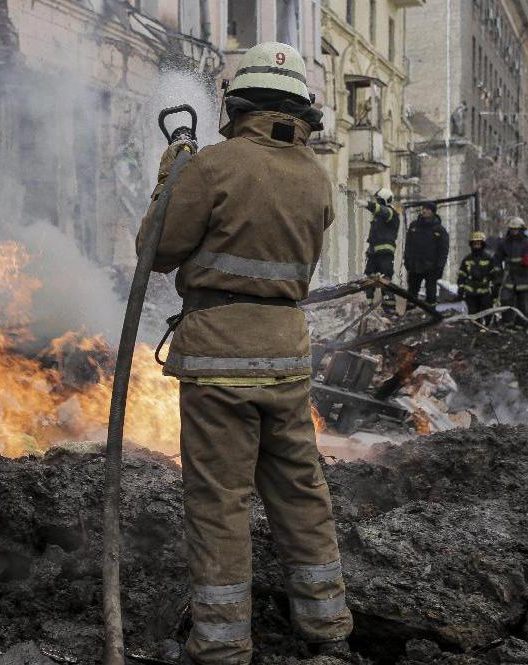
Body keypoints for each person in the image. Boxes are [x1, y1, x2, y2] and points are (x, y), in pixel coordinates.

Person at [136, 42, 353, 665]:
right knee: (302, 492)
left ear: (237, 104)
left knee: (220, 502)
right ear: (300, 112)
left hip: (219, 362)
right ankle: (329, 629)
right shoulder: (316, 177)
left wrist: (168, 180)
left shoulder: (212, 165)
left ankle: (224, 645)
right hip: (286, 359)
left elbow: (157, 251)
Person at [403, 201, 449, 307]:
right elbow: (408, 245)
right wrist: (407, 260)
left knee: (431, 294)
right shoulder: (414, 226)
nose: (424, 211)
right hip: (415, 265)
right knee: (412, 293)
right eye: (423, 208)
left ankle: (431, 316)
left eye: (427, 209)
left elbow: (443, 250)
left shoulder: (439, 230)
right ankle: (410, 315)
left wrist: (440, 266)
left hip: (431, 267)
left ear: (433, 212)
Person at [496, 217, 528, 314]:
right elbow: (497, 259)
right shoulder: (504, 243)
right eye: (512, 229)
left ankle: (521, 326)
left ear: (521, 229)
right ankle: (507, 323)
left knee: (522, 305)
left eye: (516, 229)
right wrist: (498, 276)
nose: (514, 231)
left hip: (523, 277)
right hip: (509, 277)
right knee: (506, 301)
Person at [362, 188, 400, 298]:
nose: (378, 202)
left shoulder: (391, 213)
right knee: (369, 279)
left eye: (379, 200)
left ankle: (389, 308)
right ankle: (368, 305)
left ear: (385, 201)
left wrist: (367, 204)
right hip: (373, 253)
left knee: (385, 280)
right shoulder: (378, 217)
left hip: (385, 254)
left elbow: (381, 210)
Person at [457, 231, 501, 314]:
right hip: (471, 294)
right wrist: (461, 289)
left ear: (483, 244)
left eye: (478, 243)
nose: (476, 246)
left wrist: (495, 290)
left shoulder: (489, 259)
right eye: (475, 244)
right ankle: (475, 327)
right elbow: (462, 275)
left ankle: (486, 326)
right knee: (473, 314)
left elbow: (495, 276)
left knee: (487, 314)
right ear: (471, 244)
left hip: (485, 293)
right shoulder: (467, 259)